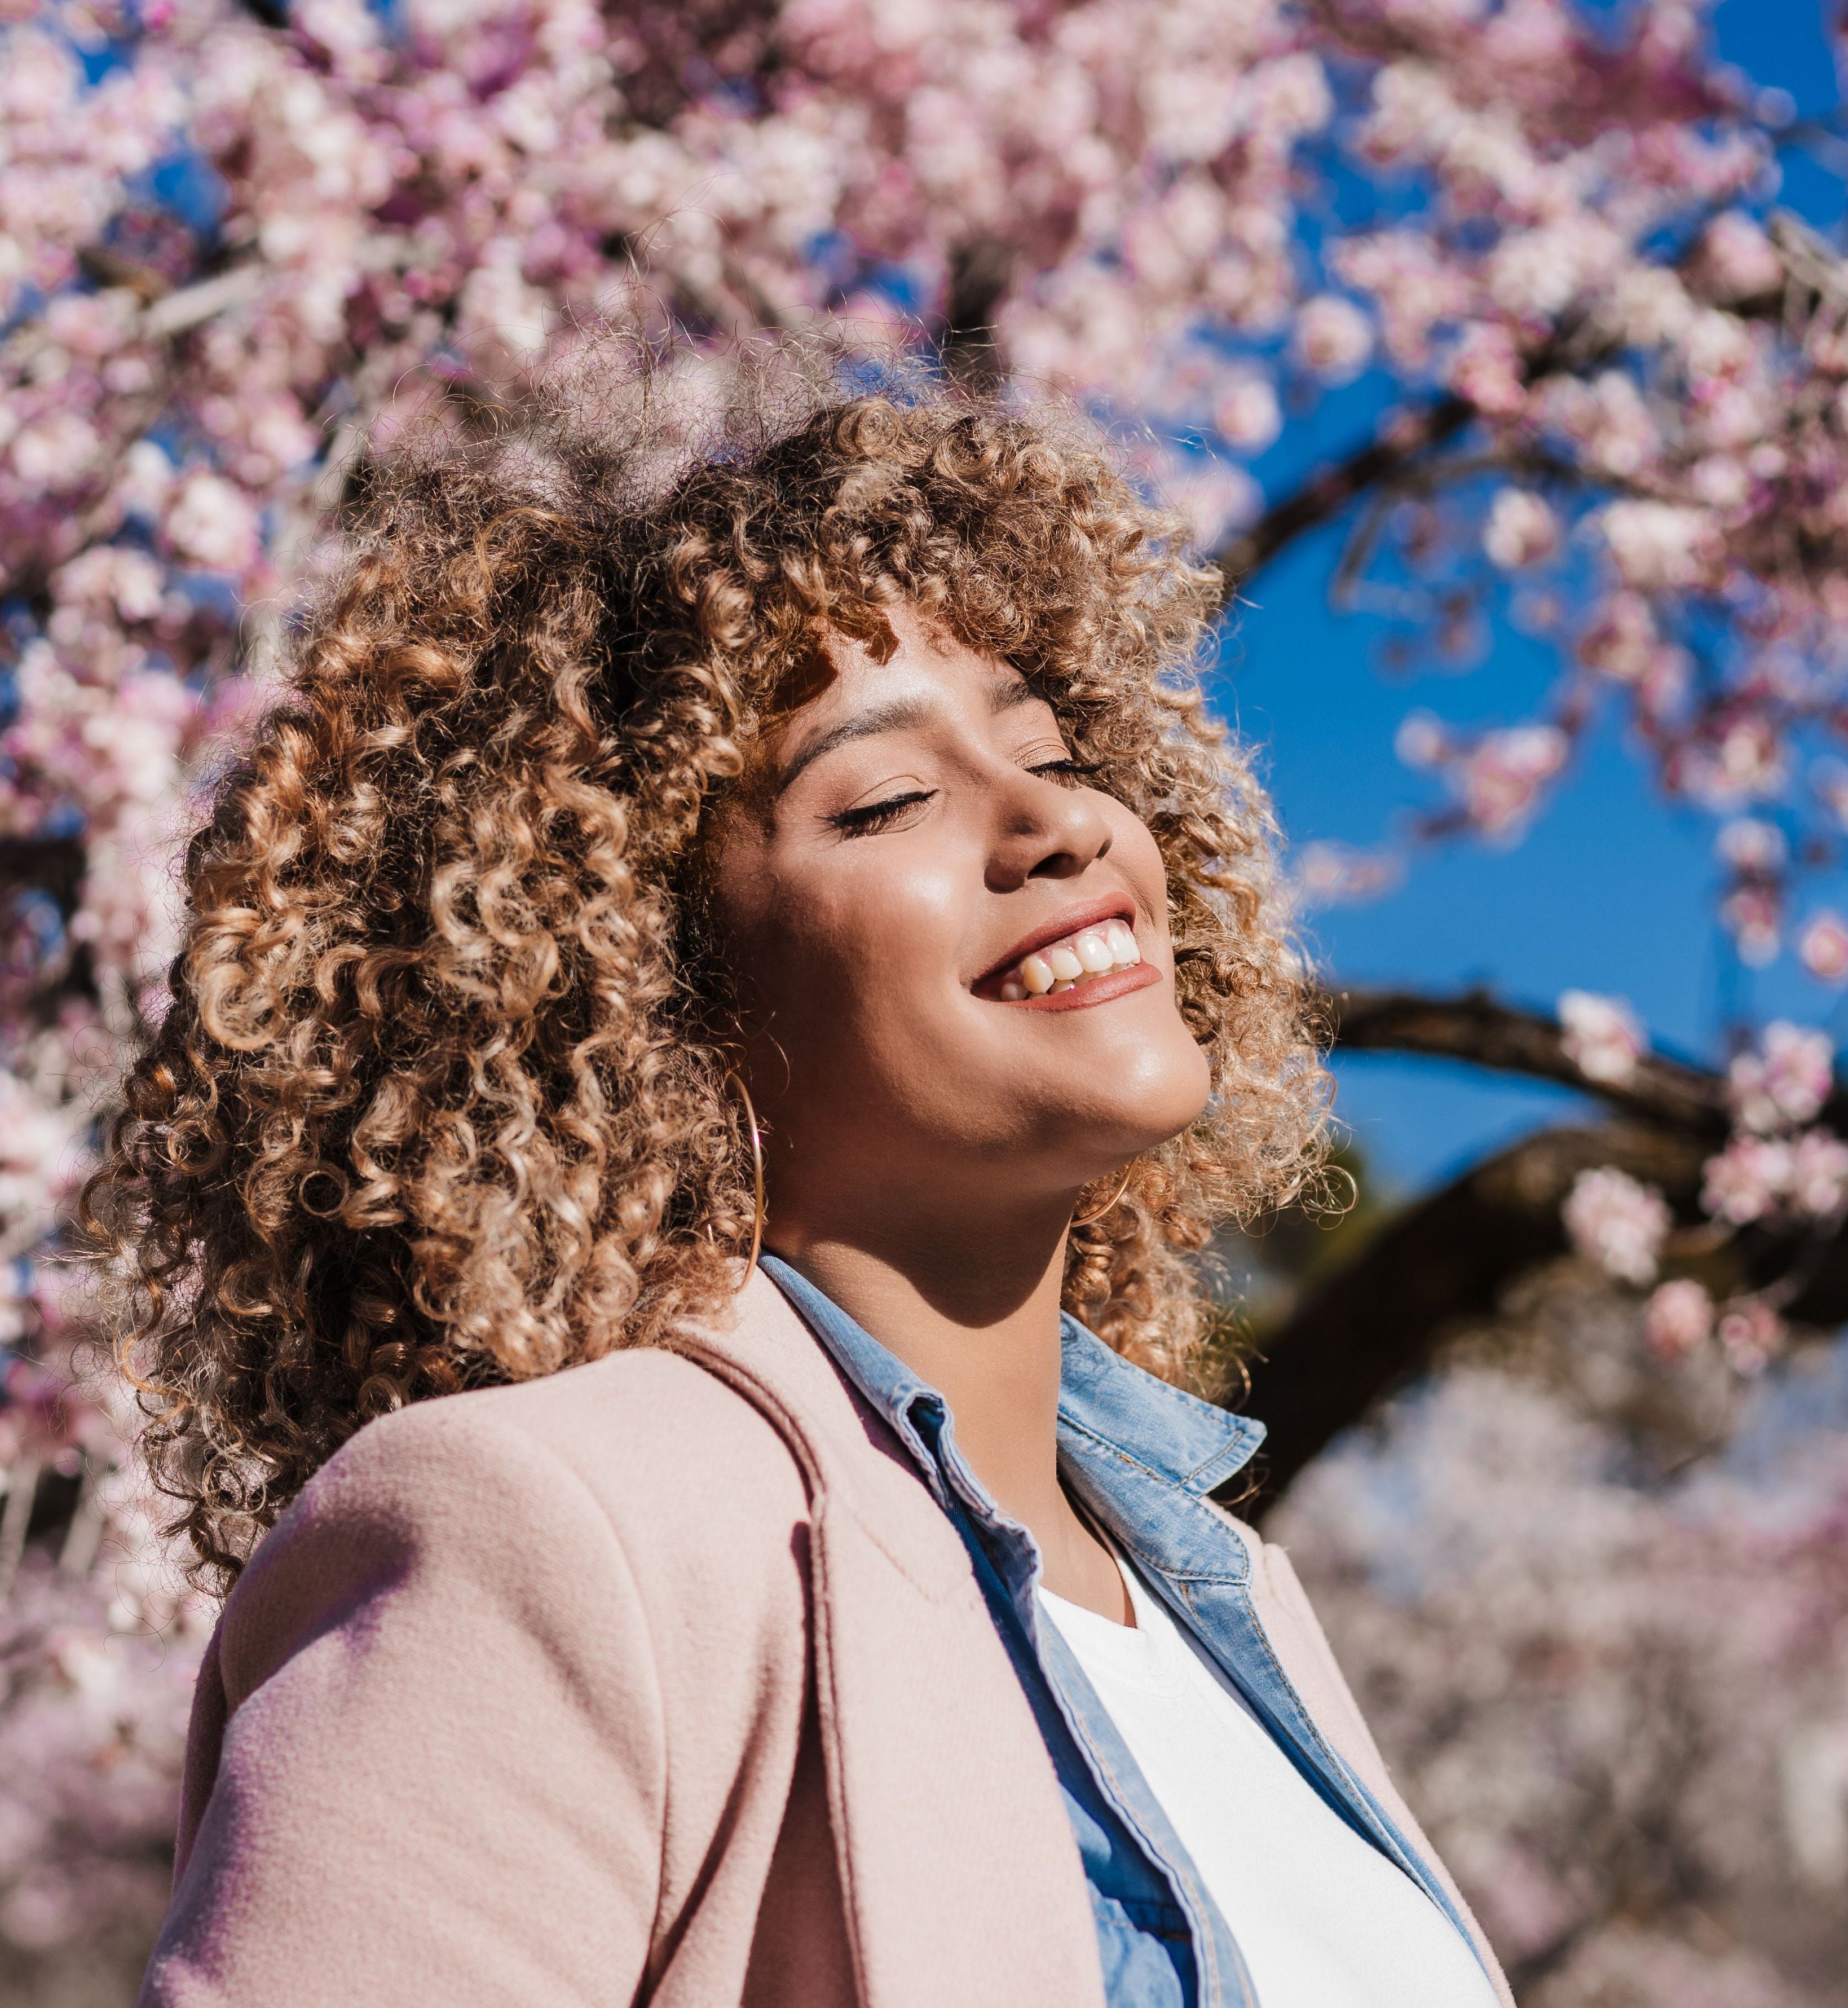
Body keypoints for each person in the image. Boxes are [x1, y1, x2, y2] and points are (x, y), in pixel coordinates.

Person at [91, 359, 1511, 2008]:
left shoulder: (1223, 1590)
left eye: (1052, 749)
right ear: (636, 994)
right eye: (886, 796)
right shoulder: (550, 1534)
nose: (1055, 821)